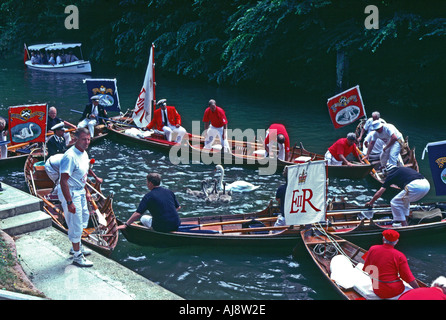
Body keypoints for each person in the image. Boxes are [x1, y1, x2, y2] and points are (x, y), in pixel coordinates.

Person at [58, 127, 94, 267]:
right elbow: (63, 181)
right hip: (71, 193)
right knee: (75, 222)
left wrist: (86, 191)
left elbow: (83, 175)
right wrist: (69, 202)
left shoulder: (84, 153)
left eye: (88, 139)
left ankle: (76, 247)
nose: (87, 142)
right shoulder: (70, 156)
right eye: (84, 139)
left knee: (84, 217)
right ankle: (77, 256)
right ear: (76, 139)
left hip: (80, 190)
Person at [365, 163, 430, 226]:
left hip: (415, 186)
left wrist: (371, 203)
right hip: (426, 184)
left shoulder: (391, 175)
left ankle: (404, 225)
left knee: (395, 202)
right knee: (405, 200)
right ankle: (406, 221)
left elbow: (380, 192)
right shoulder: (403, 169)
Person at [362, 229, 419, 299]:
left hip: (376, 288)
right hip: (393, 291)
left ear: (383, 239)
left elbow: (367, 268)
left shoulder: (372, 249)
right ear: (396, 242)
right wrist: (418, 289)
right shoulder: (399, 255)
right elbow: (408, 277)